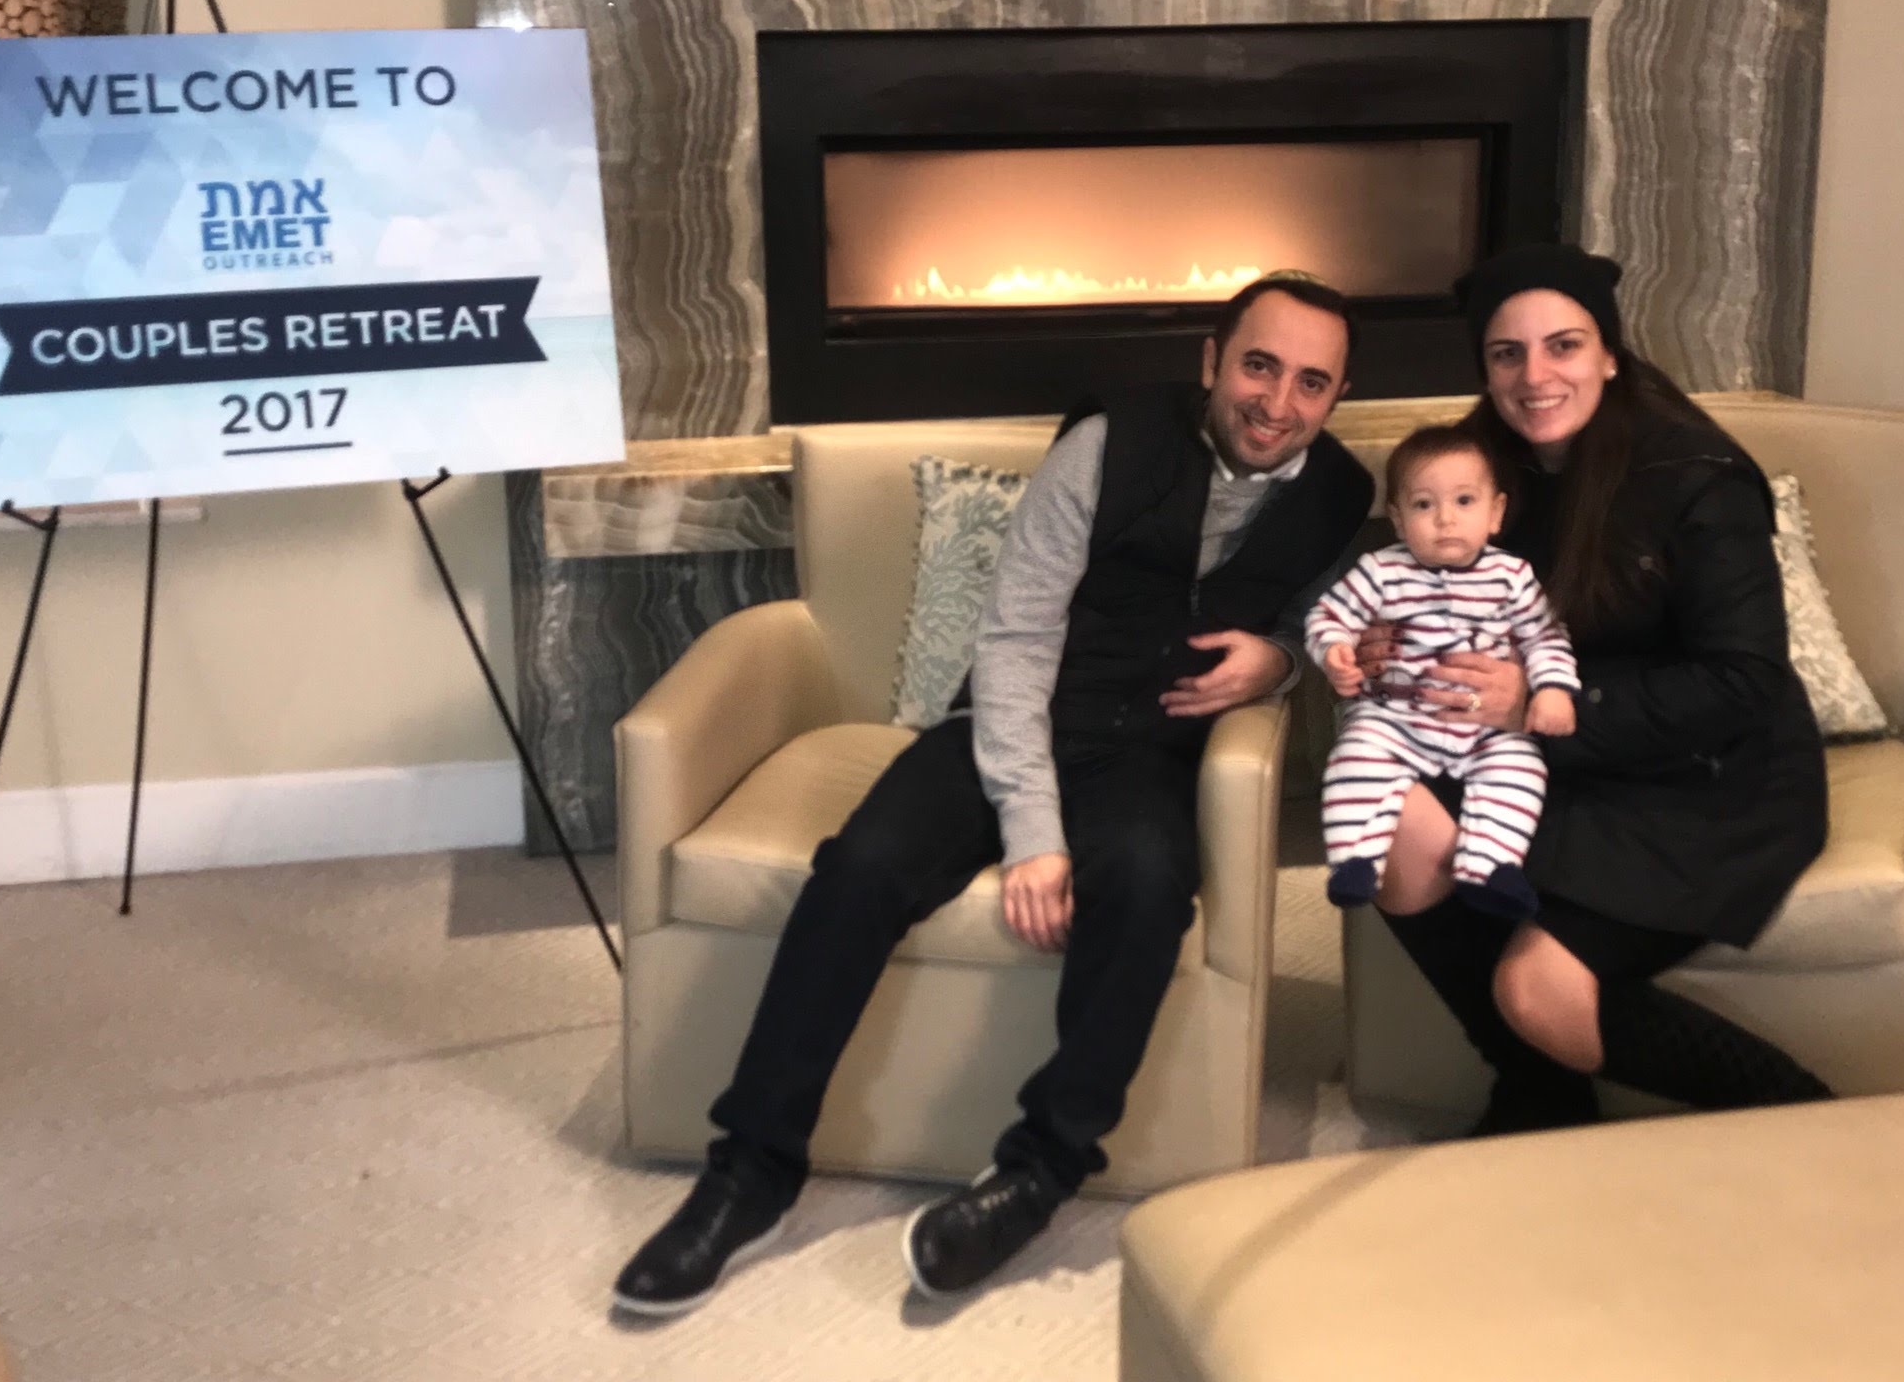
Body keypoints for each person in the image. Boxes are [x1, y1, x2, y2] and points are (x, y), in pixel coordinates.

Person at [612, 272, 1373, 1316]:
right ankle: (751, 1171)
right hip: (1013, 720)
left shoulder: (1342, 495)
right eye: (1258, 365)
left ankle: (1037, 1174)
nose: (1277, 402)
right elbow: (1015, 636)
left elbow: (1324, 625)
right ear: (1211, 360)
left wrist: (1277, 663)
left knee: (1147, 892)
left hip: (1148, 756)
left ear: (1336, 396)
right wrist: (1035, 835)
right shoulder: (1106, 443)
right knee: (860, 867)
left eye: (1310, 382)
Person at [1360, 243, 1832, 1136]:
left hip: (1706, 777)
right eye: (1507, 354)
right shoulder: (1476, 469)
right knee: (1389, 825)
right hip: (1559, 758)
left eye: (1564, 346)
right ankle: (1541, 1091)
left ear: (1610, 354)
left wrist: (1539, 705)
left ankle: (1802, 1114)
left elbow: (1744, 680)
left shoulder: (1696, 476)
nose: (1535, 377)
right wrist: (1394, 639)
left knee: (1537, 989)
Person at [1305, 424, 1578, 918]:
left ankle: (1490, 866)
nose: (1445, 519)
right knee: (1356, 755)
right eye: (1424, 505)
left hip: (1485, 728)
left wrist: (1553, 688)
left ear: (1495, 513)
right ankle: (1355, 860)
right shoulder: (1380, 571)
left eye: (1464, 501)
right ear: (1398, 519)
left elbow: (1544, 637)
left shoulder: (1512, 576)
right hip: (1396, 717)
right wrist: (1335, 650)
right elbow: (1329, 615)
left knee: (1522, 768)